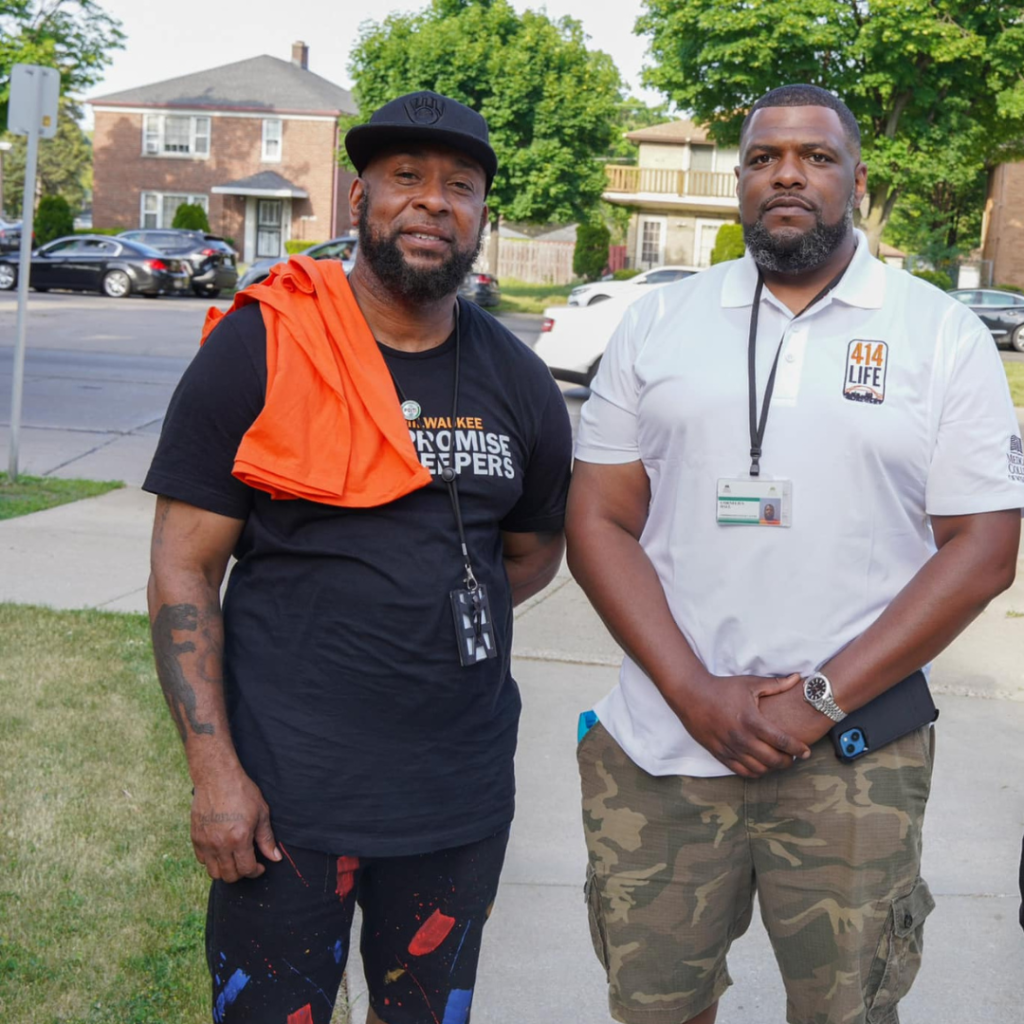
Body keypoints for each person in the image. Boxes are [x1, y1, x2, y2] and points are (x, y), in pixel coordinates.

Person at [566, 83, 1024, 1024]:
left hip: (856, 758)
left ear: (856, 176)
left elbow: (983, 550)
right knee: (655, 1010)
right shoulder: (659, 322)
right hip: (665, 745)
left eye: (815, 157)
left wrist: (819, 701)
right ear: (739, 179)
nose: (787, 175)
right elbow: (597, 521)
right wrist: (694, 692)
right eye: (763, 157)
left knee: (848, 1011)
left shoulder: (939, 333)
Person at [144, 90, 572, 1024]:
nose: (433, 202)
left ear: (482, 214)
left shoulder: (519, 378)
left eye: (460, 185)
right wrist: (214, 773)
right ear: (358, 198)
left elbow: (535, 550)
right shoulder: (265, 344)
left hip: (456, 797)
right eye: (406, 177)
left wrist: (419, 613)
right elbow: (183, 570)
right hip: (285, 795)